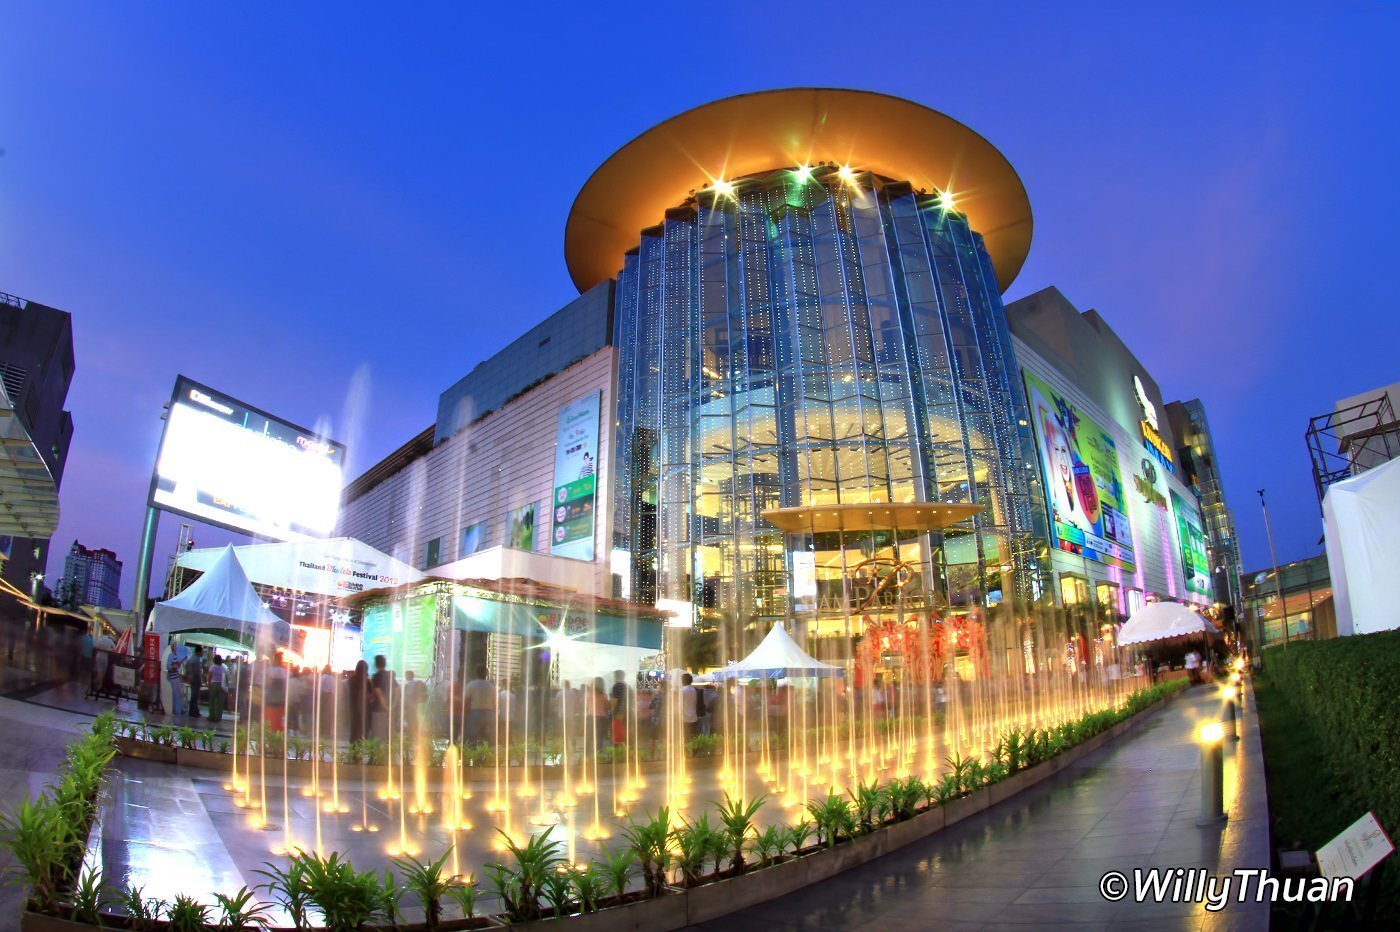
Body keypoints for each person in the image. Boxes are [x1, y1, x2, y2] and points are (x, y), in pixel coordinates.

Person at [463, 665, 496, 745]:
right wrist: (494, 714)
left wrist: (466, 714)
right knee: (487, 737)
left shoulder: (471, 685)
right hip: (489, 713)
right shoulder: (491, 687)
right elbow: (494, 702)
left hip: (475, 713)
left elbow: (466, 700)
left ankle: (473, 754)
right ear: (486, 674)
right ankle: (486, 754)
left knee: (472, 736)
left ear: (476, 673)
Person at [369, 654, 396, 742]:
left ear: (376, 664)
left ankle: (378, 754)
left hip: (378, 709)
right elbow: (397, 690)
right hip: (390, 709)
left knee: (378, 734)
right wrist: (393, 705)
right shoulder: (390, 675)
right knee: (388, 733)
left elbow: (379, 694)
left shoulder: (376, 676)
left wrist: (386, 707)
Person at [347, 660, 370, 743]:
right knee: (362, 730)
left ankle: (353, 750)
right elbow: (368, 695)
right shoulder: (365, 681)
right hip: (362, 708)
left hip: (353, 706)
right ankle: (359, 749)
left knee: (354, 728)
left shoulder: (351, 679)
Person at [403, 670, 428, 744]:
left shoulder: (408, 685)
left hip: (410, 706)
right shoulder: (416, 683)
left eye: (406, 675)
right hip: (415, 705)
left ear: (408, 676)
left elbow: (408, 695)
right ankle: (415, 735)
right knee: (414, 721)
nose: (405, 676)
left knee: (410, 721)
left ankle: (411, 736)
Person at [166, 640, 188, 716]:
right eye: (175, 646)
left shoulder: (178, 656)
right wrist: (173, 666)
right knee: (175, 694)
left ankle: (178, 709)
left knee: (179, 694)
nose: (176, 647)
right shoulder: (170, 656)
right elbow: (168, 666)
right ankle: (176, 710)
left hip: (177, 676)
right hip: (172, 677)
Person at [610, 670, 631, 747]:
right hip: (627, 713)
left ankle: (619, 755)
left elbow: (614, 701)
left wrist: (612, 712)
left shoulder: (616, 686)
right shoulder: (627, 686)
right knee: (624, 736)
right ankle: (625, 755)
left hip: (619, 714)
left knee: (617, 737)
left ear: (616, 676)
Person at [184, 644, 205, 718]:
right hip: (195, 680)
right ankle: (193, 712)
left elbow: (186, 666)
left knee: (194, 695)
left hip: (191, 679)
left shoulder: (191, 658)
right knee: (195, 696)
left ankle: (195, 711)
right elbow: (197, 672)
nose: (203, 653)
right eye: (202, 651)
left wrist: (188, 674)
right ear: (199, 651)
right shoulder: (196, 660)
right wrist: (201, 680)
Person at [207, 654, 227, 723]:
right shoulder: (224, 668)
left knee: (212, 701)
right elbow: (226, 677)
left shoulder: (212, 667)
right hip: (221, 685)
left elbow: (209, 676)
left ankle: (211, 716)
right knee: (220, 702)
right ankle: (218, 717)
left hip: (214, 684)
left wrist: (208, 684)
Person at [680, 673, 699, 743]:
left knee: (685, 737)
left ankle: (686, 752)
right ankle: (692, 752)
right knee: (691, 737)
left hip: (684, 718)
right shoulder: (693, 690)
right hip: (693, 717)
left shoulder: (682, 690)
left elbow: (679, 704)